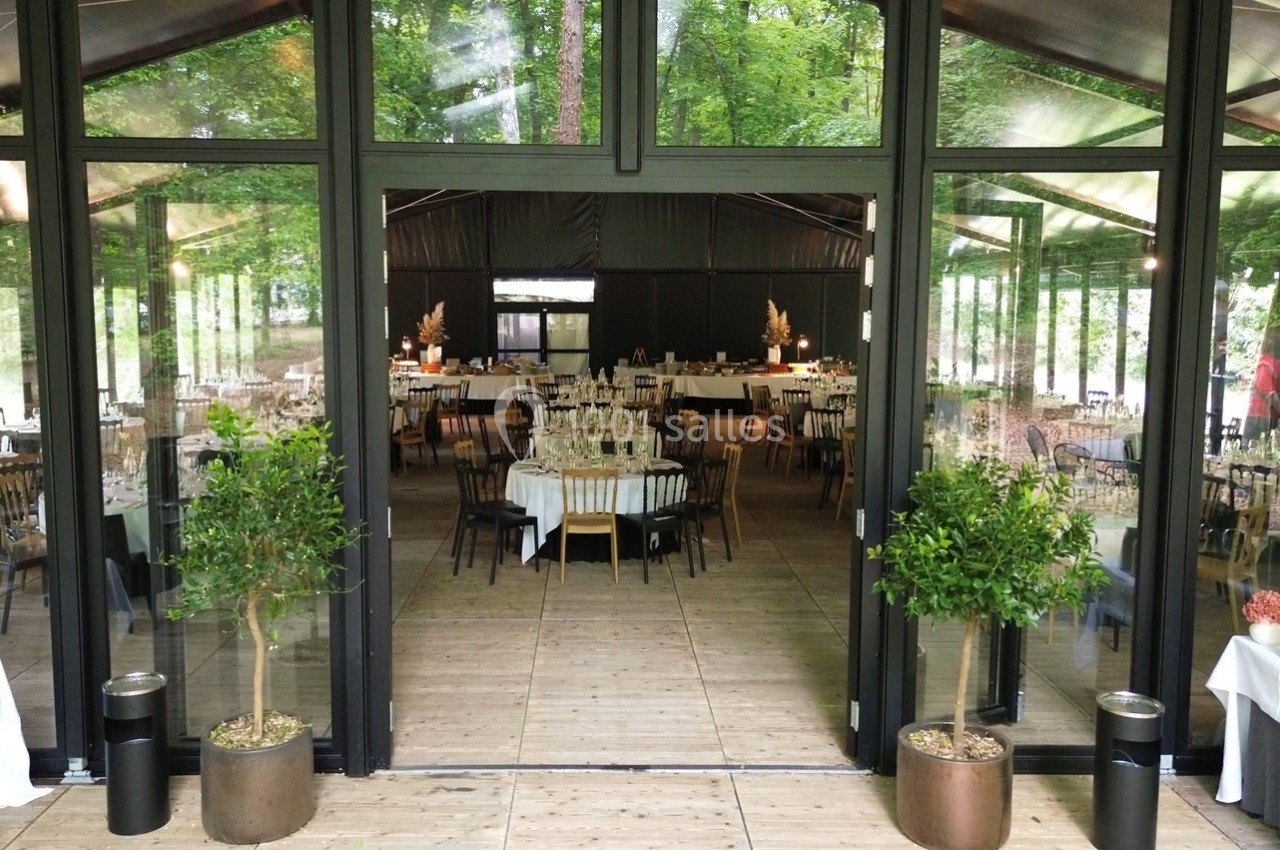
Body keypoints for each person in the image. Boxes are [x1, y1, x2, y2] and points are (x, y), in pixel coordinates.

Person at [1244, 329, 1280, 441]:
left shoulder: (1266, 363)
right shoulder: (1270, 364)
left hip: (1260, 417)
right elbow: (1271, 394)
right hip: (1263, 417)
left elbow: (1271, 394)